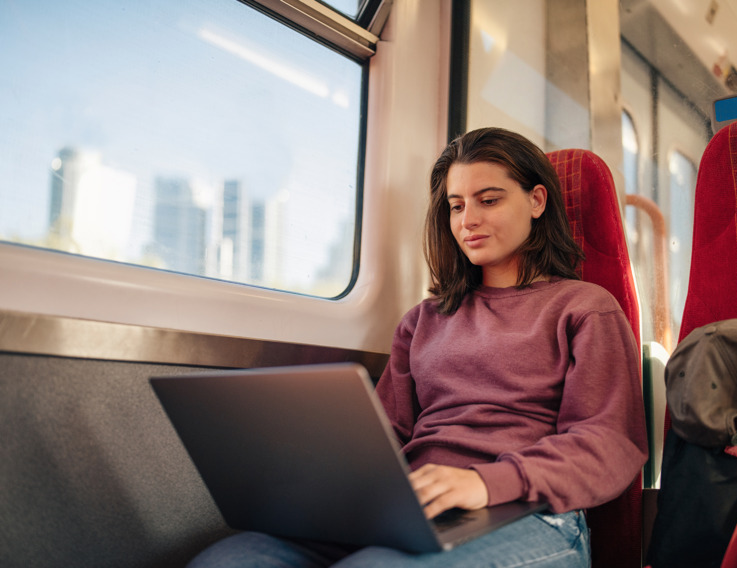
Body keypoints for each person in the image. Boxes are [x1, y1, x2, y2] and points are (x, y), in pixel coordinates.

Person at [187, 127, 648, 567]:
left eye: (489, 200)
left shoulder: (584, 308)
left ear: (536, 200)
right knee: (229, 559)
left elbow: (608, 442)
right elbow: (388, 432)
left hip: (530, 511)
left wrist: (484, 483)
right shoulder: (424, 320)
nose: (468, 221)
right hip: (412, 508)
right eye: (456, 206)